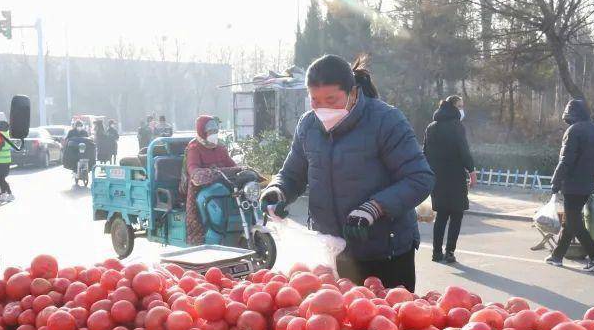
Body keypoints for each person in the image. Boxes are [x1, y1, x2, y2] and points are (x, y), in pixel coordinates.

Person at [262, 55, 434, 292]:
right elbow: (292, 174)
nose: (322, 108)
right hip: (332, 251)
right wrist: (277, 191)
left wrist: (374, 208)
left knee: (385, 322)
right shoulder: (308, 125)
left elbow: (419, 177)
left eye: (331, 100)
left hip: (385, 253)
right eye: (315, 100)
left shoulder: (386, 121)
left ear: (352, 93)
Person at [547, 99, 594, 271]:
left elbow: (566, 160)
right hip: (586, 184)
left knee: (574, 222)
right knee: (570, 220)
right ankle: (557, 256)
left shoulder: (573, 131)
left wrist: (556, 182)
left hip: (572, 184)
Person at [423, 95, 475, 264]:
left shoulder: (431, 127)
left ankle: (436, 253)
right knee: (456, 215)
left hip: (437, 178)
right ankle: (450, 251)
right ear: (453, 107)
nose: (462, 109)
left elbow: (425, 153)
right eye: (460, 106)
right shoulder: (456, 126)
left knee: (441, 215)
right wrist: (471, 171)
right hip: (455, 177)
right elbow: (463, 150)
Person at [181, 114, 236, 245]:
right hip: (200, 188)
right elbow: (192, 168)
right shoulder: (194, 148)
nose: (214, 134)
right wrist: (201, 173)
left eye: (215, 131)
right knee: (196, 213)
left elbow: (232, 165)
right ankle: (199, 240)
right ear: (202, 132)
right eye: (210, 132)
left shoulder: (220, 148)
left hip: (222, 184)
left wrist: (242, 169)